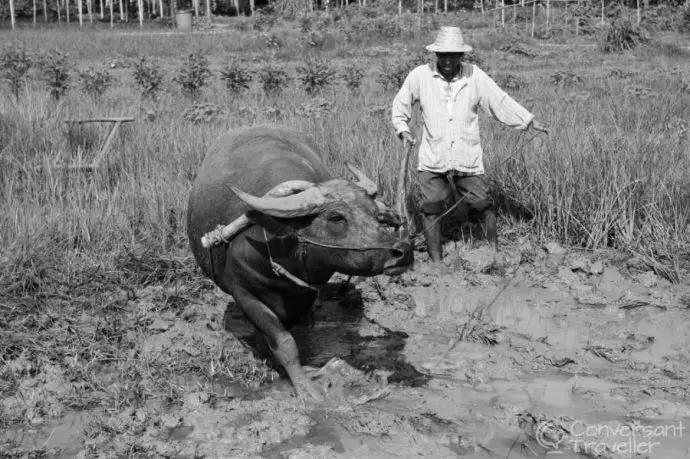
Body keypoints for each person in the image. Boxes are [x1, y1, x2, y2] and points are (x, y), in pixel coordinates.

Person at [391, 26, 547, 263]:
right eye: (442, 55)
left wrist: (528, 120)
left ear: (461, 56)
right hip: (433, 154)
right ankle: (436, 263)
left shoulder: (475, 76)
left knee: (482, 203)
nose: (447, 60)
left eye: (453, 55)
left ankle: (493, 253)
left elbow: (499, 100)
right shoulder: (420, 76)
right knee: (431, 207)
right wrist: (403, 130)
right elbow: (400, 106)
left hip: (467, 154)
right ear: (435, 55)